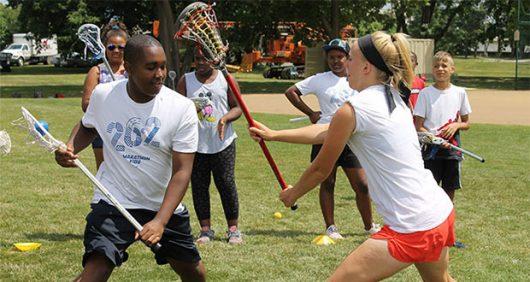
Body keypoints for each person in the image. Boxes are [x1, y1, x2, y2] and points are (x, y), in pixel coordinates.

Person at [249, 31, 456, 281]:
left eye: (351, 59)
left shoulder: (354, 109)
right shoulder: (393, 94)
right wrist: (274, 134)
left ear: (367, 67)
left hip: (412, 224)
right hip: (437, 210)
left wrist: (293, 194)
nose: (345, 64)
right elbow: (325, 130)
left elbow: (320, 169)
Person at [55, 35, 206, 281]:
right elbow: (88, 126)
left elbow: (182, 171)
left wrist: (160, 221)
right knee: (96, 270)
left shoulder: (181, 108)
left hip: (162, 205)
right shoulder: (104, 95)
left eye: (162, 66)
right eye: (150, 67)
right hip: (115, 200)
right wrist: (70, 147)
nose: (159, 74)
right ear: (129, 67)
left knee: (194, 273)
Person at [284, 38, 378, 239]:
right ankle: (331, 227)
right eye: (331, 57)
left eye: (340, 57)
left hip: (352, 139)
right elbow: (291, 92)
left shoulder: (357, 78)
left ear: (348, 58)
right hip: (324, 136)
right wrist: (310, 113)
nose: (336, 61)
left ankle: (369, 225)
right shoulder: (320, 79)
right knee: (327, 182)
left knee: (362, 185)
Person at [177, 48, 243, 244]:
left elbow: (238, 107)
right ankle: (205, 229)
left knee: (226, 183)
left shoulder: (225, 78)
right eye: (197, 59)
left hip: (224, 142)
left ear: (213, 59)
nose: (201, 63)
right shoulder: (186, 80)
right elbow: (177, 108)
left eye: (205, 58)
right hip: (196, 144)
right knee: (199, 186)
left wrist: (225, 118)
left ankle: (233, 229)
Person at [413, 51, 472, 202]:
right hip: (431, 152)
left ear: (452, 69)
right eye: (436, 66)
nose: (440, 69)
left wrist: (456, 125)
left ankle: (447, 222)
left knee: (449, 191)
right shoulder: (425, 93)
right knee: (428, 191)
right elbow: (418, 126)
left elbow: (466, 123)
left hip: (452, 150)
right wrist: (434, 139)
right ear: (432, 69)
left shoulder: (460, 93)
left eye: (444, 66)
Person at [81, 19, 129, 169]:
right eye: (111, 47)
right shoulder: (97, 71)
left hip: (128, 131)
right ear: (105, 48)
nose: (116, 51)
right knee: (104, 171)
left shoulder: (132, 71)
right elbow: (86, 104)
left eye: (121, 47)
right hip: (101, 131)